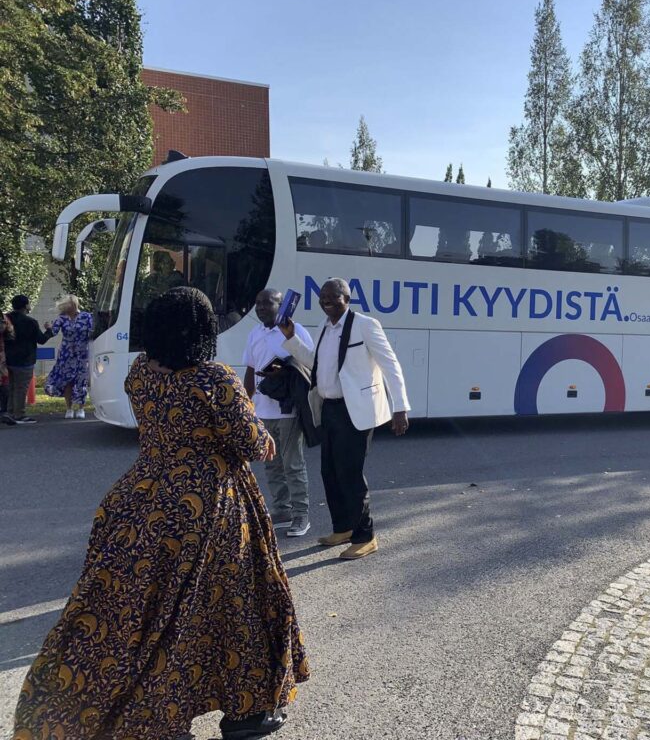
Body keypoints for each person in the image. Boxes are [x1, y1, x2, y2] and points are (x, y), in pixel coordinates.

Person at [13, 287, 308, 740]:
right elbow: (251, 443)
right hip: (210, 510)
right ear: (203, 331)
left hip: (142, 502)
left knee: (135, 616)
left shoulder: (139, 373)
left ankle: (141, 716)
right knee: (234, 609)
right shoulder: (213, 379)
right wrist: (262, 436)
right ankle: (246, 714)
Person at [278, 278, 410, 560]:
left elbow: (390, 364)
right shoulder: (324, 327)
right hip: (329, 408)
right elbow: (316, 363)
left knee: (350, 474)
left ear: (346, 298)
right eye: (323, 296)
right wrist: (291, 338)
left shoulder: (365, 325)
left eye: (332, 296)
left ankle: (366, 536)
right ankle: (343, 528)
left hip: (356, 410)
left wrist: (400, 407)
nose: (326, 300)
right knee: (330, 472)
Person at [244, 289, 315, 538]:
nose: (261, 307)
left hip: (288, 409)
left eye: (267, 303)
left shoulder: (295, 331)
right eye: (258, 303)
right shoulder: (255, 333)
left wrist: (283, 373)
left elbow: (310, 365)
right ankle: (282, 511)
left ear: (281, 305)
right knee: (272, 465)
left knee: (292, 464)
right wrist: (246, 403)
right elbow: (251, 370)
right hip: (263, 410)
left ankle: (301, 516)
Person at [3, 294, 54, 425]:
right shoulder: (30, 322)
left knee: (12, 386)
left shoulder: (6, 319)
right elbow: (41, 340)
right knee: (21, 388)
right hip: (25, 360)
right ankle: (20, 415)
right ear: (26, 306)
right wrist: (49, 330)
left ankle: (10, 412)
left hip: (8, 359)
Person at [44, 294, 93, 419]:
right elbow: (54, 332)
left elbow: (93, 332)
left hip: (82, 354)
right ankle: (69, 408)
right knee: (67, 381)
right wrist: (48, 328)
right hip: (66, 354)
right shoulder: (62, 318)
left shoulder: (86, 316)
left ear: (74, 304)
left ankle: (81, 408)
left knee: (81, 381)